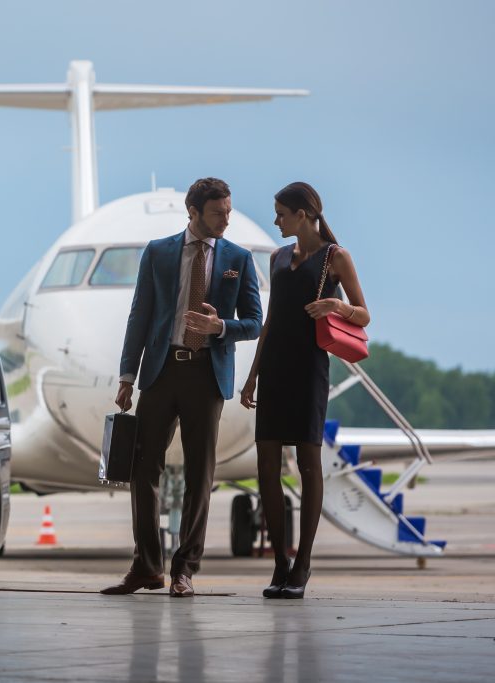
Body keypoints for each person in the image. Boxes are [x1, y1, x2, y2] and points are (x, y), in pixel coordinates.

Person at [101, 177, 263, 597]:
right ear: (192, 212)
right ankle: (147, 567)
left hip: (206, 375)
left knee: (199, 474)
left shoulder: (239, 259)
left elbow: (255, 322)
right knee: (142, 470)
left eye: (228, 211)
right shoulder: (158, 252)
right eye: (217, 213)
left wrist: (219, 326)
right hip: (161, 370)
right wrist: (126, 377)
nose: (226, 219)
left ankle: (185, 570)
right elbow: (140, 315)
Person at [240, 181, 370, 599]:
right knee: (266, 469)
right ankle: (280, 561)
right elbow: (272, 320)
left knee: (308, 464)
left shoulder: (337, 257)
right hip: (275, 367)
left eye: (281, 213)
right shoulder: (278, 257)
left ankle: (303, 564)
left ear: (303, 214)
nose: (275, 220)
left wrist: (337, 307)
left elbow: (364, 314)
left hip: (309, 367)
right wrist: (252, 376)